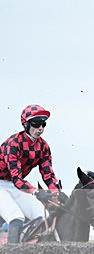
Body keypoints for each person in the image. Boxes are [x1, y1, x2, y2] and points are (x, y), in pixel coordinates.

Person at [0, 104, 65, 244]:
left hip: (14, 186)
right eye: (36, 124)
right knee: (16, 217)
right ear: (26, 124)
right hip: (3, 184)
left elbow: (48, 175)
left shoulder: (44, 147)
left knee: (42, 217)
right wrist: (36, 192)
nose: (40, 128)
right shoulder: (13, 144)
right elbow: (16, 178)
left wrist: (55, 192)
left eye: (43, 124)